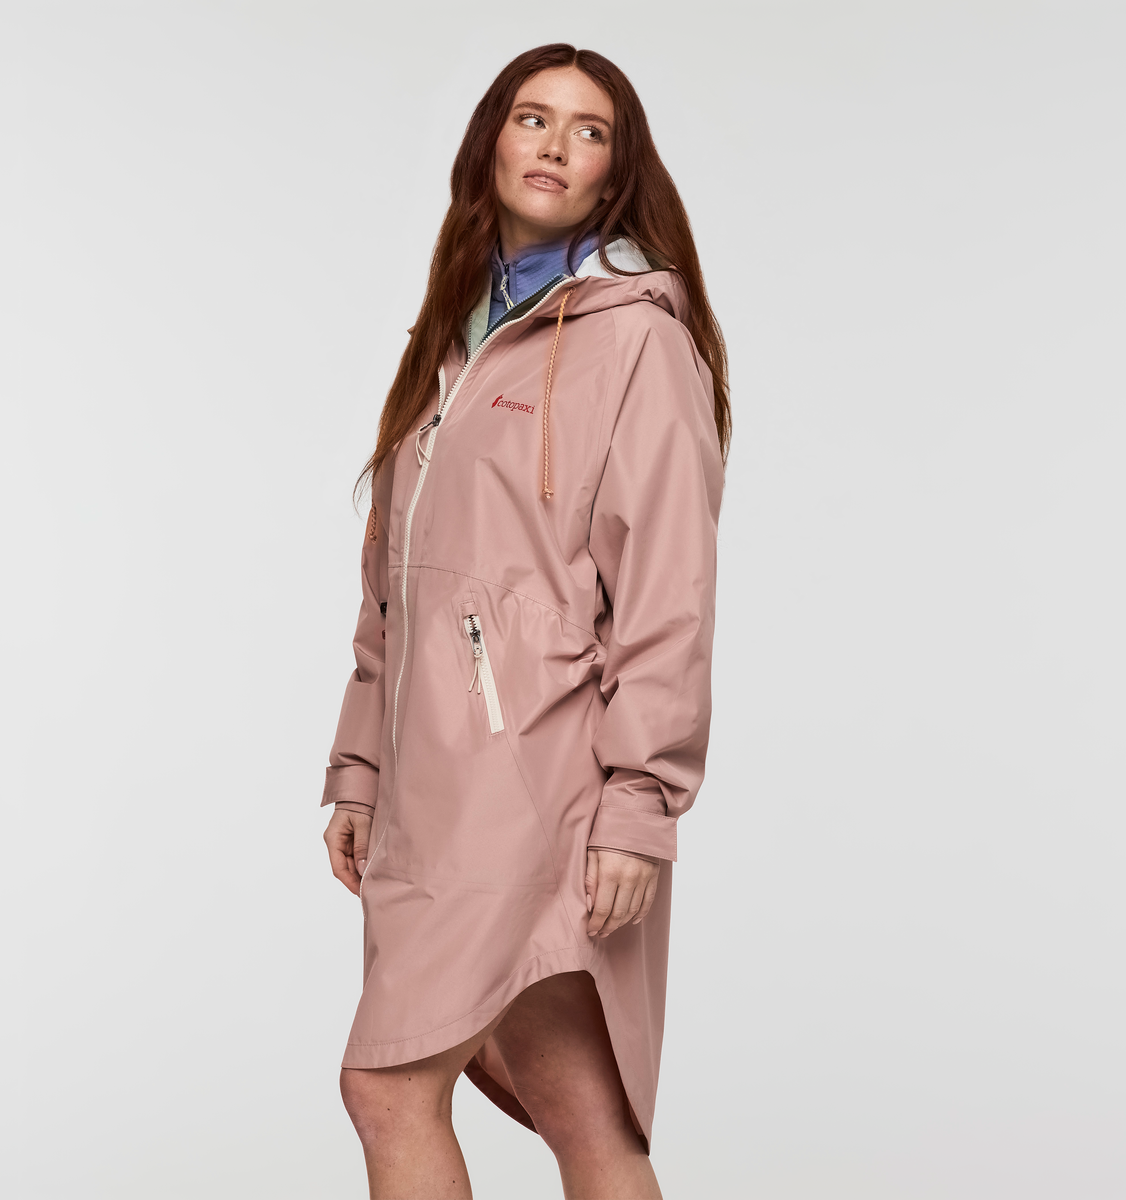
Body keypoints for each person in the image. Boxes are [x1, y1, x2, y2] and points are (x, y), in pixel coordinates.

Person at [321, 42, 729, 1200]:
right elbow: (395, 589)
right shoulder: (452, 338)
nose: (556, 145)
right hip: (430, 786)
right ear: (491, 143)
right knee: (580, 1106)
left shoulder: (638, 339)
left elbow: (670, 589)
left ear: (615, 173)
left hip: (539, 775)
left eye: (589, 130)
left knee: (387, 1086)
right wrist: (361, 770)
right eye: (532, 118)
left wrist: (639, 806)